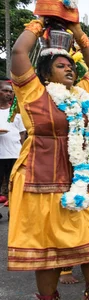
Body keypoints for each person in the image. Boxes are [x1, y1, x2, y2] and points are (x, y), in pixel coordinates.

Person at [8, 19, 89, 300]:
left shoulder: (82, 93)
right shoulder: (32, 92)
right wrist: (38, 22)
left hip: (81, 179)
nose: (70, 69)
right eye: (61, 65)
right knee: (48, 246)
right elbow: (19, 51)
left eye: (71, 65)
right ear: (44, 73)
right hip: (41, 178)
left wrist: (80, 32)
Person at [0, 78, 26, 207]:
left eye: (10, 92)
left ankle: (13, 212)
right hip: (0, 155)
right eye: (5, 91)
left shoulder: (15, 112)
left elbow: (22, 133)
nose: (9, 94)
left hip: (14, 154)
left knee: (14, 185)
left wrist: (23, 152)